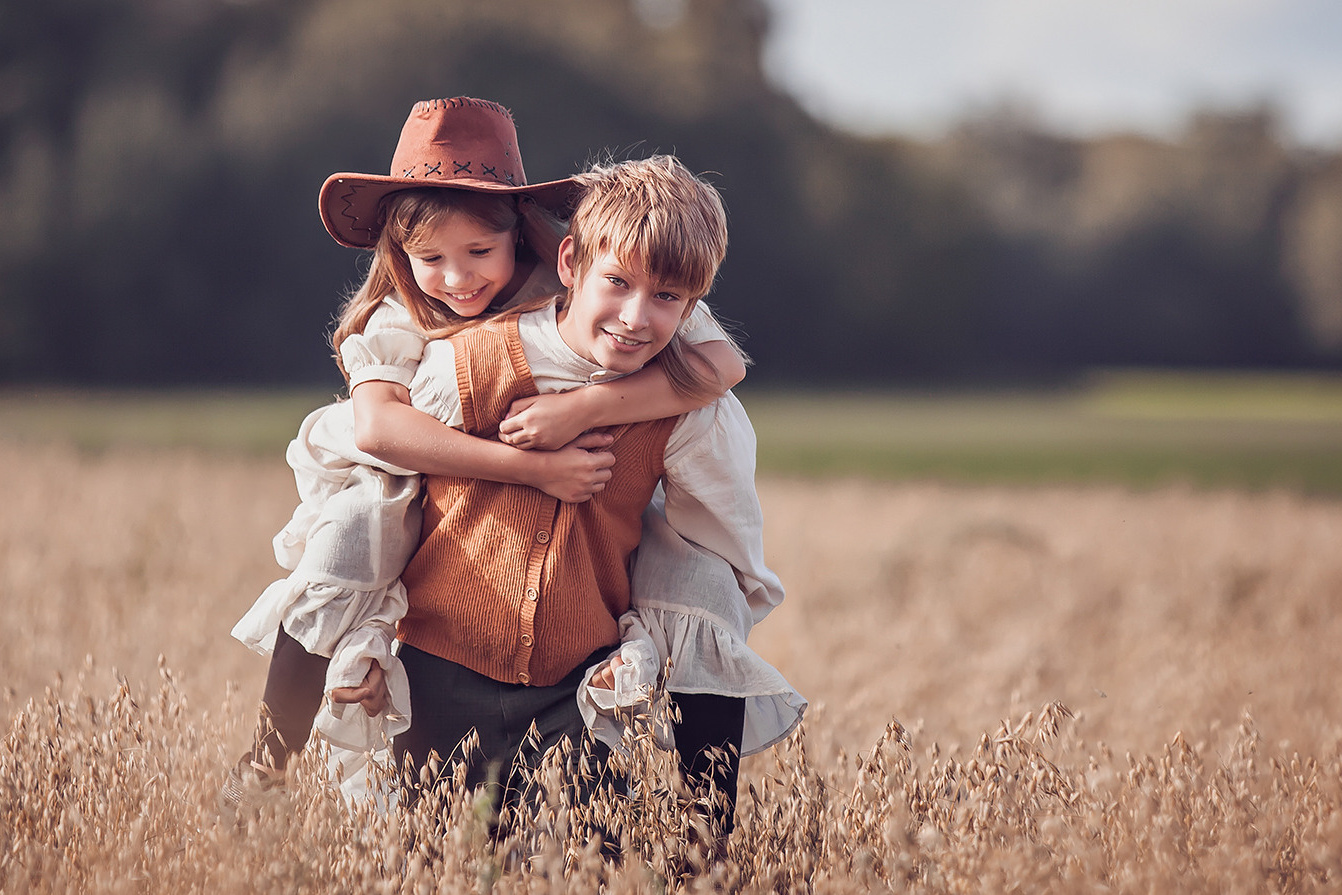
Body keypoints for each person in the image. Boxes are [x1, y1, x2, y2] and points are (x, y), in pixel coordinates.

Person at [224, 99, 748, 809]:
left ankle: (703, 826)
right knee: (354, 533)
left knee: (693, 573)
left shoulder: (594, 279)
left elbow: (721, 363)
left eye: (478, 253)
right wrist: (536, 466)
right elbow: (379, 431)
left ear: (524, 237)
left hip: (577, 550)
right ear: (401, 258)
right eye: (431, 259)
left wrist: (583, 407)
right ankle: (270, 758)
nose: (457, 278)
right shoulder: (395, 317)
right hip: (396, 468)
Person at [391, 154, 804, 849]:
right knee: (430, 864)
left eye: (669, 298)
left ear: (694, 305)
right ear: (569, 260)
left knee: (591, 860)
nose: (637, 318)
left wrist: (643, 642)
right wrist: (363, 646)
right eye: (617, 282)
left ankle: (709, 850)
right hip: (439, 677)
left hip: (578, 694)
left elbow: (717, 568)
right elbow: (381, 499)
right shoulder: (469, 363)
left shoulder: (689, 410)